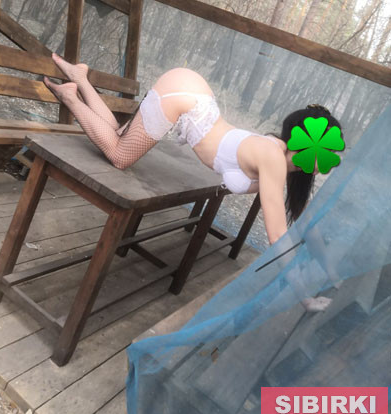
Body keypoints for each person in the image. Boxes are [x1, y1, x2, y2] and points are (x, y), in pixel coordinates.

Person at [44, 61, 343, 309]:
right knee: (120, 156)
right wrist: (305, 297)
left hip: (191, 95)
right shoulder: (273, 157)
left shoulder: (288, 163)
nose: (331, 158)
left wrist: (333, 274)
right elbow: (278, 235)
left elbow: (307, 223)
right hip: (183, 100)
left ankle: (80, 79)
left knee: (119, 137)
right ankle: (70, 97)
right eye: (329, 149)